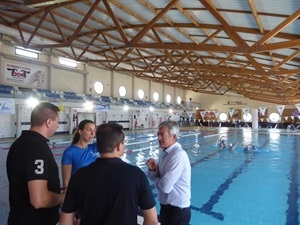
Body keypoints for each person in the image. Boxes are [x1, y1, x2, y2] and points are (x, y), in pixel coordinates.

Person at [60, 123, 158, 225]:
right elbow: (152, 220)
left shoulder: (79, 176)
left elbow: (65, 221)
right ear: (119, 146)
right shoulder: (137, 175)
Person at [6, 102, 65, 225]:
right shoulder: (36, 149)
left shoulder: (20, 143)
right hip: (35, 220)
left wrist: (54, 189)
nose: (58, 126)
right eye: (57, 122)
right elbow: (39, 200)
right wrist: (63, 197)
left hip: (18, 217)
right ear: (49, 122)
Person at [146, 121, 191, 225]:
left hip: (177, 212)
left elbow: (165, 187)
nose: (159, 138)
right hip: (167, 209)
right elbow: (159, 180)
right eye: (158, 134)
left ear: (173, 137)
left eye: (162, 135)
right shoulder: (165, 154)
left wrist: (157, 179)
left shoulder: (178, 156)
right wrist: (153, 170)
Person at [61, 119, 99, 224]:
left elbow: (113, 139)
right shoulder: (69, 152)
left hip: (94, 194)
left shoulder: (95, 148)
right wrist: (69, 210)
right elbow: (66, 182)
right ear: (80, 131)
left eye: (94, 130)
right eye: (88, 129)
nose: (92, 133)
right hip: (79, 195)